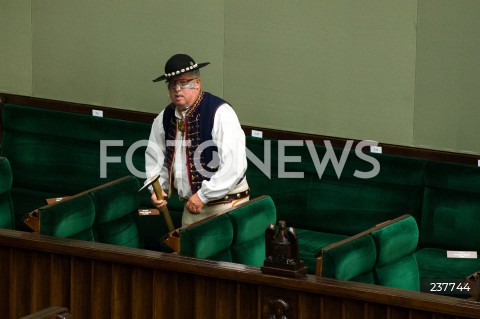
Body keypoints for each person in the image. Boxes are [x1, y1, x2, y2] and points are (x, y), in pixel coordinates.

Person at [145, 53, 249, 226]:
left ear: (197, 83)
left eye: (184, 83)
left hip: (227, 206)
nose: (177, 89)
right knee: (186, 252)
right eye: (172, 84)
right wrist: (157, 189)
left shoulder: (220, 113)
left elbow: (234, 166)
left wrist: (203, 196)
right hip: (192, 208)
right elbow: (155, 160)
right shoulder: (164, 118)